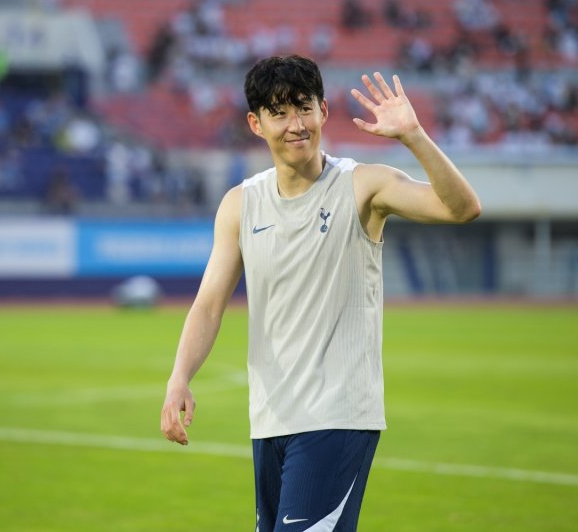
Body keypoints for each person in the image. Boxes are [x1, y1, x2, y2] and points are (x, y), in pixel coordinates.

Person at [160, 55, 481, 531]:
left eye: (304, 108)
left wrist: (414, 136)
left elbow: (462, 208)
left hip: (338, 416)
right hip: (270, 420)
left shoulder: (362, 186)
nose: (296, 125)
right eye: (279, 113)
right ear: (256, 123)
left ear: (324, 111)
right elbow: (208, 306)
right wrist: (179, 377)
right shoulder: (240, 205)